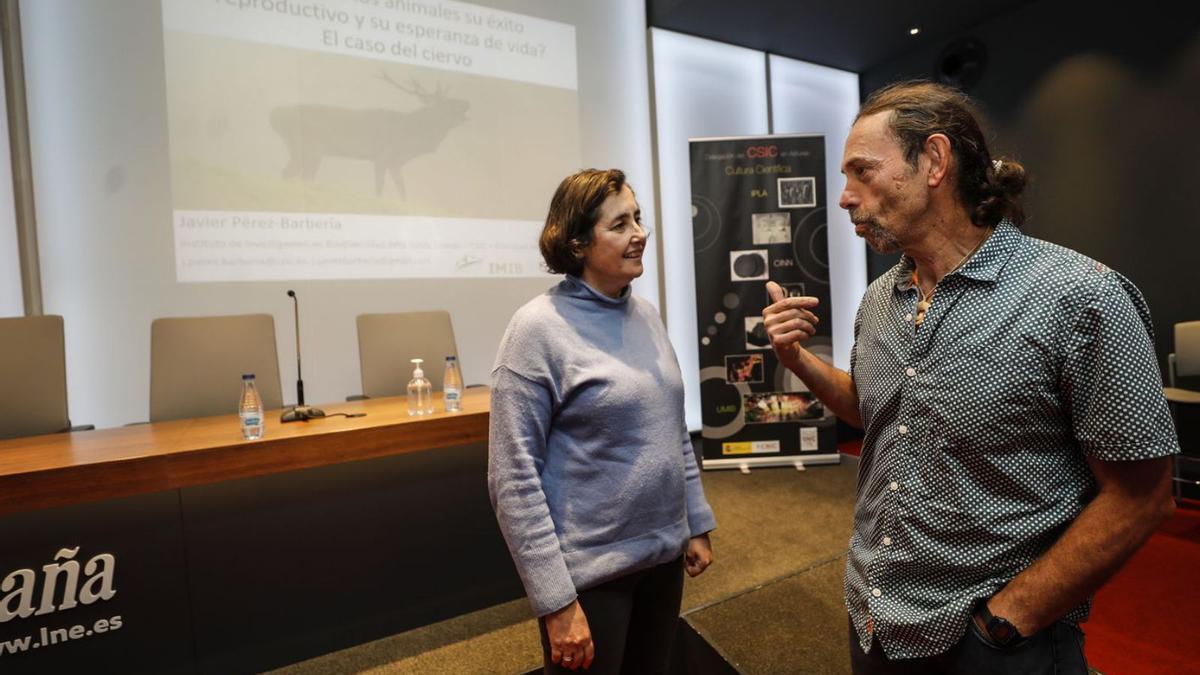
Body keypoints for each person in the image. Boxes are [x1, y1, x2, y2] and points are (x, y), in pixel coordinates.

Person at [762, 81, 1178, 674]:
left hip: (995, 643)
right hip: (875, 622)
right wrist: (797, 359)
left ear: (934, 160)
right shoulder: (880, 298)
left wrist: (1007, 621)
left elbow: (1142, 497)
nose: (845, 198)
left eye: (861, 172)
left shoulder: (1078, 296)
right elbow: (876, 412)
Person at [489, 168, 716, 674]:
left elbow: (671, 428)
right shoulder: (536, 330)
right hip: (590, 578)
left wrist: (694, 522)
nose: (639, 233)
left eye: (638, 218)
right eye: (619, 224)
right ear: (576, 243)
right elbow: (512, 479)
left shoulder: (646, 315)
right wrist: (555, 602)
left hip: (662, 560)